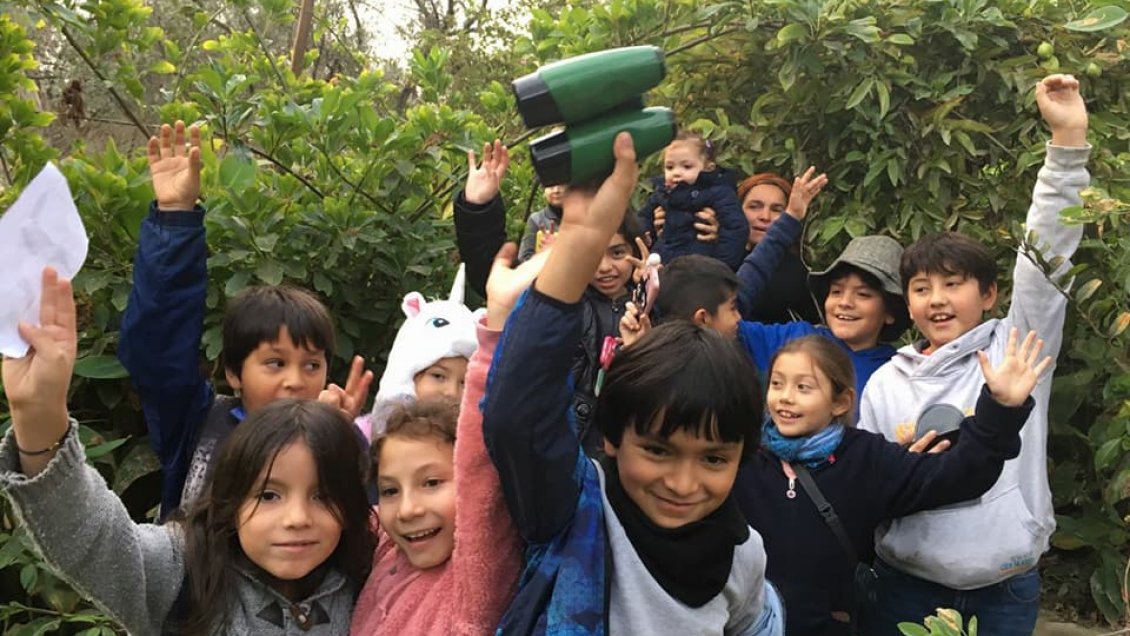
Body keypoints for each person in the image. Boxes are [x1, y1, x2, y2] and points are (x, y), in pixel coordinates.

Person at [482, 132, 783, 634]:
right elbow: (520, 413)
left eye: (713, 457)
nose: (682, 484)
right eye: (659, 450)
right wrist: (581, 239)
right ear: (613, 437)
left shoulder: (743, 555)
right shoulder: (575, 507)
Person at [1, 268, 375, 634]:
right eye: (269, 494)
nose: (297, 518)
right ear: (231, 498)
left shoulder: (370, 575)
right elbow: (90, 535)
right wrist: (39, 415)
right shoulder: (183, 573)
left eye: (323, 494)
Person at [856, 74, 1091, 635]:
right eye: (920, 288)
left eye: (954, 283)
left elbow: (1045, 261)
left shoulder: (1019, 345)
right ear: (906, 303)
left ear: (987, 294)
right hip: (903, 588)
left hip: (1004, 592)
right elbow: (868, 487)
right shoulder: (886, 382)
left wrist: (1066, 145)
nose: (937, 299)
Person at [118, 121, 372, 516]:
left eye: (312, 364)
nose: (295, 380)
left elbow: (363, 536)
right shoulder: (198, 426)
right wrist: (174, 219)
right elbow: (157, 349)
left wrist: (340, 443)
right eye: (275, 362)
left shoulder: (339, 437)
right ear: (234, 373)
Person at [734, 332, 1046, 635]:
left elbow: (960, 475)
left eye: (804, 387)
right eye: (777, 384)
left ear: (841, 402)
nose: (785, 397)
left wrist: (1000, 409)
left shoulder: (865, 459)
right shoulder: (743, 457)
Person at [349, 243, 546, 635]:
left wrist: (499, 326)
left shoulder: (474, 572)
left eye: (432, 483)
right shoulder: (387, 547)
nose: (407, 509)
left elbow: (479, 467)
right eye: (389, 490)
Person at [452, 141, 641, 456]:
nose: (606, 267)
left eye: (618, 253)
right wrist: (479, 207)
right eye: (596, 253)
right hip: (570, 449)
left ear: (637, 249)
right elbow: (498, 279)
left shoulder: (651, 304)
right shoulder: (567, 302)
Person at [353, 265, 479, 442]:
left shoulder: (474, 449)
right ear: (408, 374)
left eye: (464, 382)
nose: (451, 392)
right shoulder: (365, 437)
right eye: (438, 376)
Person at [637, 131, 749, 270]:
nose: (676, 172)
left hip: (701, 266)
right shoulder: (662, 193)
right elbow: (643, 218)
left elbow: (735, 229)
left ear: (708, 168)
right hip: (663, 261)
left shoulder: (719, 193)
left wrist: (722, 266)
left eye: (687, 166)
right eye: (670, 167)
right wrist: (644, 234)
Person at [736, 173, 821, 324]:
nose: (765, 216)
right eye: (754, 206)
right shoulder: (713, 255)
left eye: (777, 209)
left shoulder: (797, 273)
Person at [518, 184, 565, 262]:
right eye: (551, 186)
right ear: (544, 190)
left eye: (561, 185)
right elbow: (524, 258)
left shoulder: (582, 219)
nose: (556, 190)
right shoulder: (536, 219)